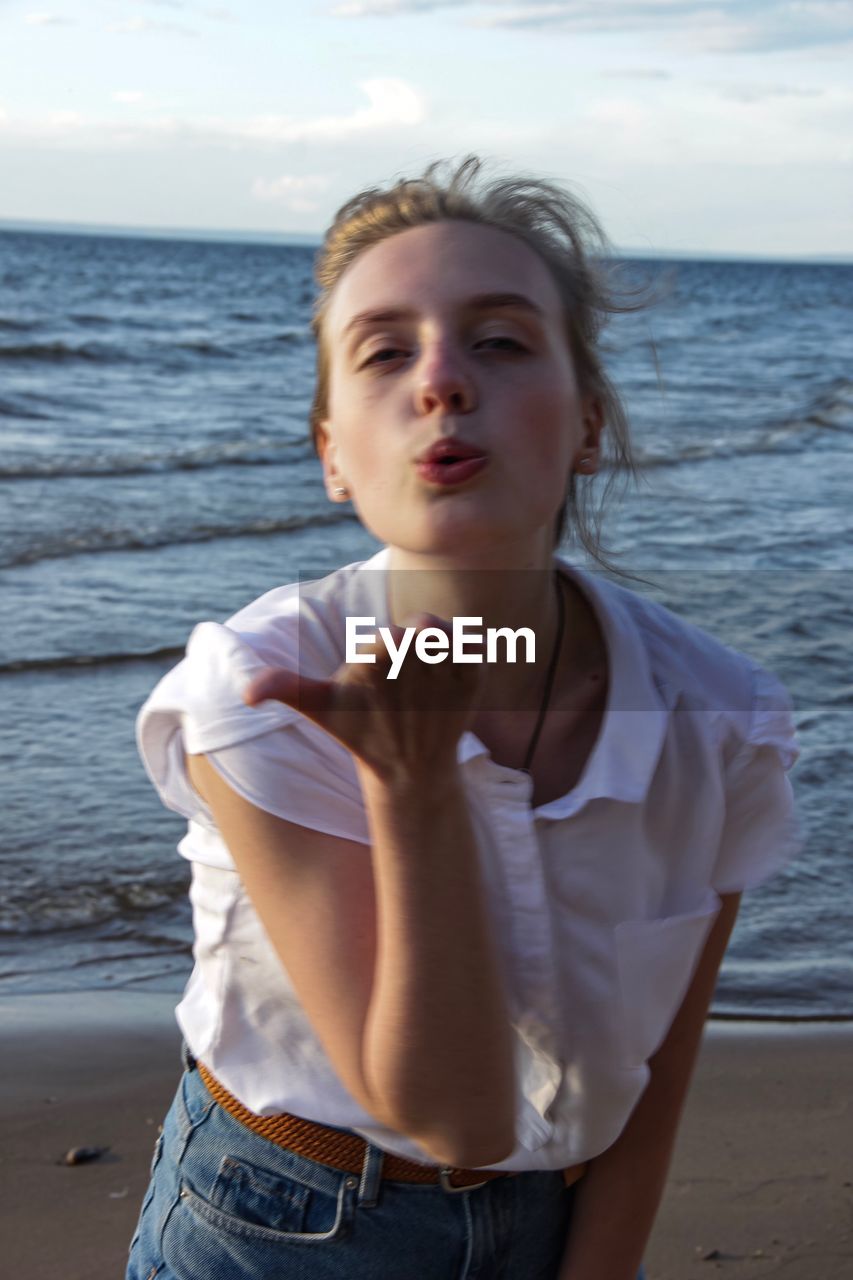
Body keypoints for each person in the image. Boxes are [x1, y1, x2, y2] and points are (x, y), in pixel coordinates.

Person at [127, 156, 801, 1280]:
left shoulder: (713, 715)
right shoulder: (264, 686)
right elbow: (452, 1114)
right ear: (333, 451)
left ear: (588, 421)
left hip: (547, 1223)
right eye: (385, 350)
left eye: (498, 339)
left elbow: (659, 1062)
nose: (440, 379)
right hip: (278, 1224)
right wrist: (414, 782)